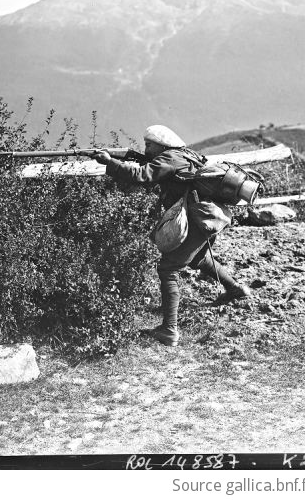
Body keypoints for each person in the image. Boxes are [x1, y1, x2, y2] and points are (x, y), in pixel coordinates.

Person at [92, 125, 250, 347]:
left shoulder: (169, 158)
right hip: (207, 217)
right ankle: (236, 289)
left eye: (149, 145)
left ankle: (169, 330)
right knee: (199, 258)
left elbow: (140, 175)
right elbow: (154, 169)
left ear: (162, 145)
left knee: (168, 269)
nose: (146, 149)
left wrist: (109, 162)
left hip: (194, 221)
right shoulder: (186, 154)